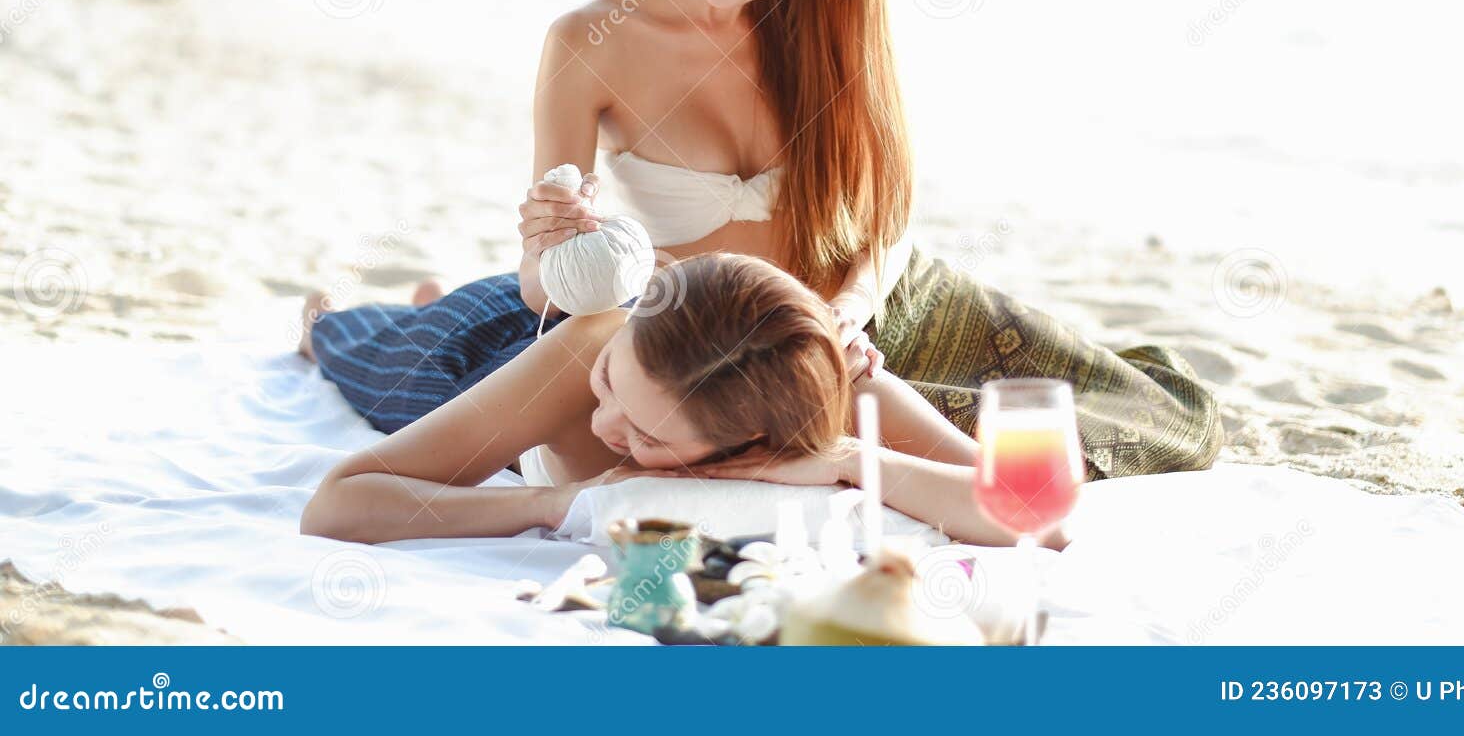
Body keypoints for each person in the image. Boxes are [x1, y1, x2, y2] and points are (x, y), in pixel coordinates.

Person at [302, 0, 1220, 496]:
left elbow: (885, 216)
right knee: (446, 360)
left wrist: (849, 312)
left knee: (1159, 417)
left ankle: (433, 301)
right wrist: (551, 245)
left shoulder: (827, 29)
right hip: (702, 332)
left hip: (866, 307)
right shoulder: (589, 41)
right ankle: (379, 316)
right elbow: (554, 286)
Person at [299, 253, 1067, 549]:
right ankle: (397, 307)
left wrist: (847, 458)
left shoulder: (834, 387)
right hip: (496, 356)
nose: (604, 427)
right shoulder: (592, 346)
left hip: (557, 353)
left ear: (751, 444)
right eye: (611, 389)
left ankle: (430, 295)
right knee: (341, 339)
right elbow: (336, 503)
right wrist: (548, 500)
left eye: (645, 437)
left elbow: (1038, 513)